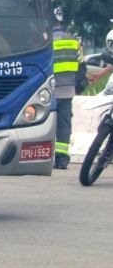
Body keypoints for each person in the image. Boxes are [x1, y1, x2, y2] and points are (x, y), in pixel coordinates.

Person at [51, 17, 80, 169]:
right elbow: (81, 66)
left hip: (49, 90)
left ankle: (44, 157)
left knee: (46, 123)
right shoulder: (73, 41)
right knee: (64, 125)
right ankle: (62, 159)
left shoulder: (46, 40)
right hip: (68, 90)